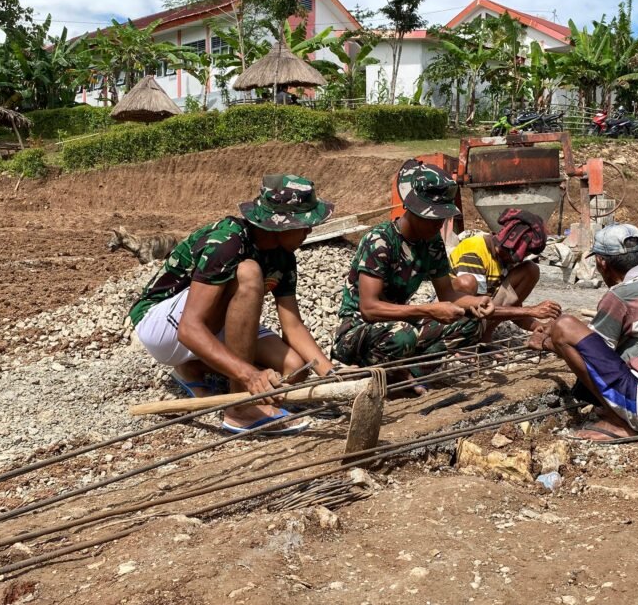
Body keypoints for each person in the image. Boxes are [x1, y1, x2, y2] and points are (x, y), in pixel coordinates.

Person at [129, 175, 337, 434]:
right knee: (249, 272)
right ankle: (240, 407)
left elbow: (292, 325)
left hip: (206, 325)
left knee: (293, 370)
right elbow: (189, 328)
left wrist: (331, 374)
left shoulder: (283, 257)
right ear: (280, 224)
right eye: (304, 224)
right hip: (162, 324)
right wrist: (250, 376)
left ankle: (192, 368)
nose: (309, 231)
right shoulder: (228, 242)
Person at [529, 224, 638, 443]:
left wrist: (546, 342)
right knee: (569, 329)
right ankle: (624, 411)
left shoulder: (621, 295)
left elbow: (588, 352)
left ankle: (619, 419)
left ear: (602, 262)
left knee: (564, 325)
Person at [333, 160, 493, 382]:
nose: (439, 224)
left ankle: (410, 377)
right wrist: (428, 310)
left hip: (399, 324)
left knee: (470, 323)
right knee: (402, 336)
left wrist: (476, 302)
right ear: (413, 210)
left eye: (442, 217)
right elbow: (369, 309)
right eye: (433, 217)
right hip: (358, 331)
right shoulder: (380, 241)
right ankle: (375, 375)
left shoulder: (432, 242)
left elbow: (448, 294)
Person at [449, 208, 562, 341]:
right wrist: (532, 310)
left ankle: (484, 335)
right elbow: (480, 308)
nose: (520, 259)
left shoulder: (506, 257)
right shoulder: (473, 251)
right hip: (455, 313)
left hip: (485, 312)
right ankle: (462, 339)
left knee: (531, 270)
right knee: (467, 283)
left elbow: (511, 307)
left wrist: (539, 325)